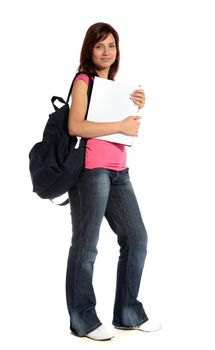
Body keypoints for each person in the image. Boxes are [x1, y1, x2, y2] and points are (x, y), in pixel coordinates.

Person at [66, 22, 161, 341]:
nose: (106, 52)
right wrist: (120, 121)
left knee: (137, 239)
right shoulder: (84, 81)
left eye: (112, 45)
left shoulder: (116, 88)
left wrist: (134, 107)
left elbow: (124, 130)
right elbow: (76, 126)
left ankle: (127, 312)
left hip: (120, 171)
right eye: (99, 46)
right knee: (86, 246)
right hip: (91, 171)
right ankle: (83, 319)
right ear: (89, 49)